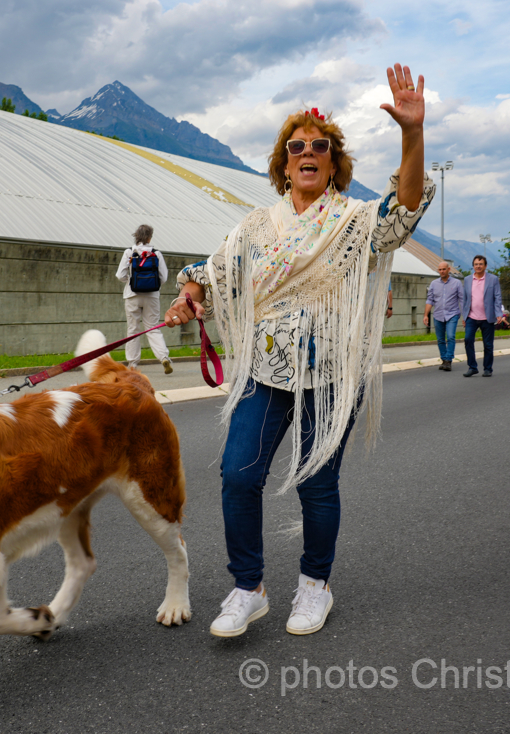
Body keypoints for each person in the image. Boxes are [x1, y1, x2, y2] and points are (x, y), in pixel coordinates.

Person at [164, 65, 434, 638]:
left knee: (317, 482)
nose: (307, 152)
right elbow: (211, 273)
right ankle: (248, 588)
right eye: (296, 147)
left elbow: (404, 207)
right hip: (265, 371)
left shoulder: (356, 223)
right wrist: (189, 293)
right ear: (283, 164)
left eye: (320, 147)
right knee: (238, 475)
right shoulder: (256, 227)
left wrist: (412, 135)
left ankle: (315, 585)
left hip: (333, 372)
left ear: (333, 163)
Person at [116, 224, 173, 373]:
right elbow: (164, 277)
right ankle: (163, 358)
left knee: (133, 329)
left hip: (132, 295)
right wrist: (152, 285)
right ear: (149, 238)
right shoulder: (156, 253)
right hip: (152, 297)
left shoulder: (129, 252)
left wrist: (131, 281)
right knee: (152, 328)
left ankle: (133, 364)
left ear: (136, 236)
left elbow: (120, 275)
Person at [460, 255, 507, 377]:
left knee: (488, 344)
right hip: (471, 316)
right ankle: (472, 367)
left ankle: (488, 368)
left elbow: (497, 297)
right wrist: (464, 316)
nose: (478, 266)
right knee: (468, 340)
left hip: (487, 317)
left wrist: (498, 314)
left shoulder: (493, 279)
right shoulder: (467, 279)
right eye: (476, 264)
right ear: (473, 266)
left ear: (485, 266)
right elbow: (465, 299)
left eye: (481, 264)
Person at [424, 260, 463, 371]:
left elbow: (462, 300)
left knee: (450, 337)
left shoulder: (457, 283)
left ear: (449, 269)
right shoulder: (434, 284)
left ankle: (448, 360)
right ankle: (444, 359)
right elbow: (429, 300)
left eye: (444, 269)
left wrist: (465, 316)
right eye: (440, 269)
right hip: (438, 315)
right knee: (440, 339)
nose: (442, 271)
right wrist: (426, 315)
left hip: (453, 314)